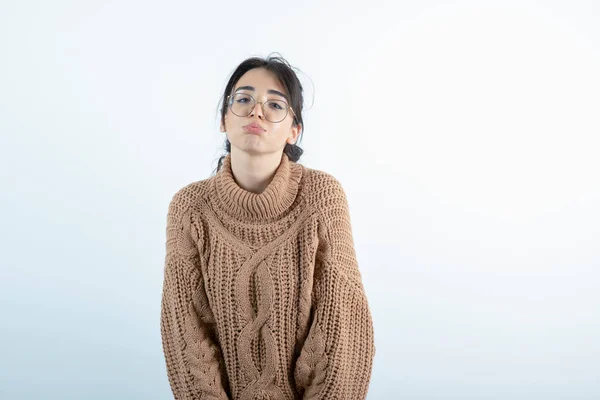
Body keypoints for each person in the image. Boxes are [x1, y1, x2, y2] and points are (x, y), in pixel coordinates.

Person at [160, 54, 375, 400]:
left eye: (275, 104)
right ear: (223, 120)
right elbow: (186, 338)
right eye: (243, 99)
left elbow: (342, 334)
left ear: (294, 130)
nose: (256, 111)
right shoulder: (189, 208)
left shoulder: (323, 198)